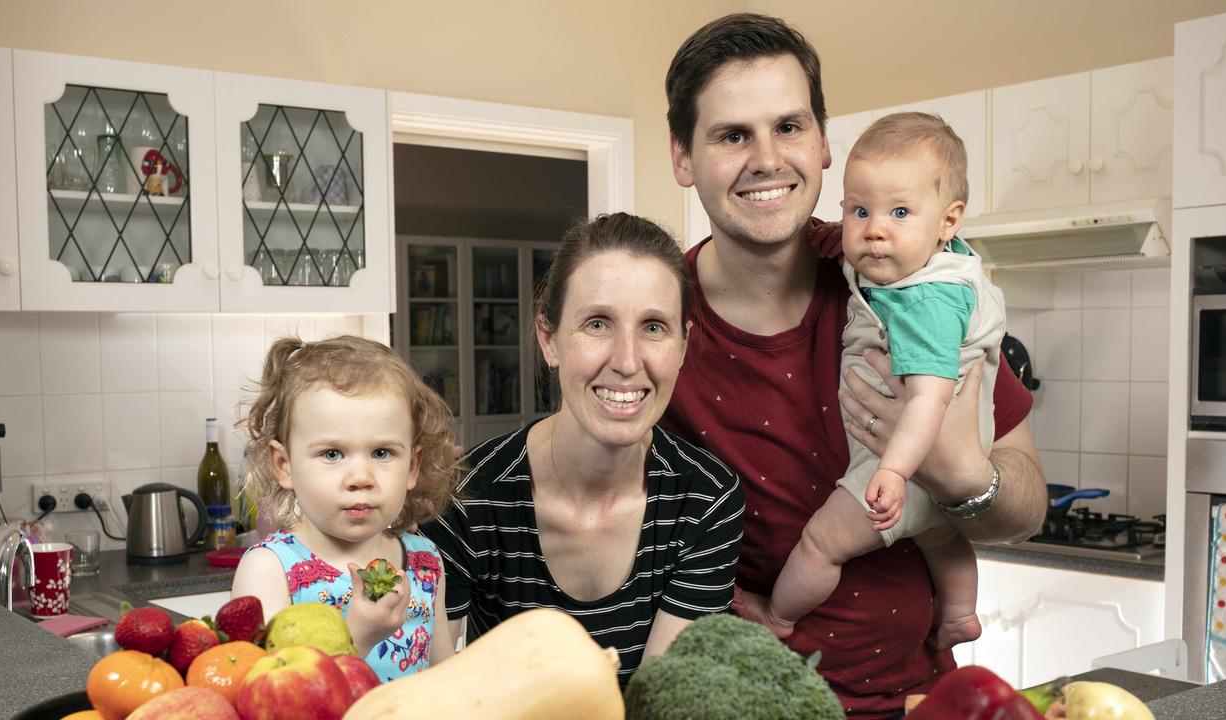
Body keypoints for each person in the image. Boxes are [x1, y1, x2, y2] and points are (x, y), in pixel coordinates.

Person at [660, 13, 1047, 719]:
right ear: (682, 158)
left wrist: (962, 474)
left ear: (823, 141)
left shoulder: (906, 273)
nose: (767, 158)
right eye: (731, 135)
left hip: (928, 698)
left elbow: (1027, 506)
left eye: (789, 126)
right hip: (755, 705)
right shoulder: (657, 326)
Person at [420, 213, 744, 688]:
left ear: (682, 346)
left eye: (654, 327)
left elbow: (659, 701)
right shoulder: (463, 497)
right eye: (597, 323)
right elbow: (432, 693)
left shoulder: (706, 501)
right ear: (549, 339)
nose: (628, 361)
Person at [735, 112, 1003, 653]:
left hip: (910, 461)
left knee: (821, 544)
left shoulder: (925, 301)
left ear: (948, 221)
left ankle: (777, 615)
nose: (874, 230)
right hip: (931, 486)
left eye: (899, 212)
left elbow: (928, 398)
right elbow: (880, 237)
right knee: (937, 532)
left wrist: (896, 470)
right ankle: (959, 613)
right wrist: (847, 239)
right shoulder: (937, 262)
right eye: (859, 211)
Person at [232, 335, 460, 680]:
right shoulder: (268, 570)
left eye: (382, 453)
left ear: (412, 466)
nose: (360, 478)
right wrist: (358, 636)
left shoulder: (426, 561)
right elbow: (264, 694)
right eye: (332, 454)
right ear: (284, 465)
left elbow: (446, 681)